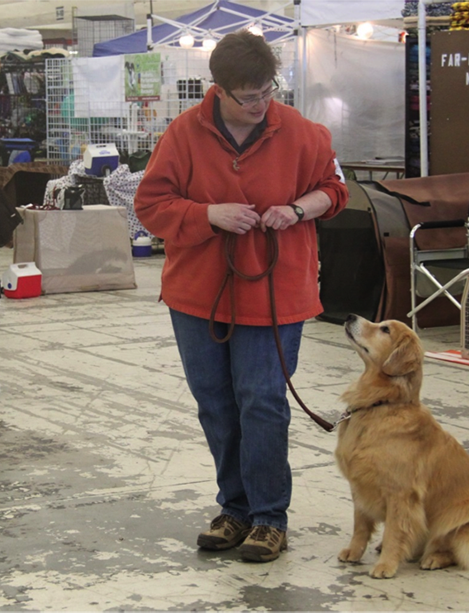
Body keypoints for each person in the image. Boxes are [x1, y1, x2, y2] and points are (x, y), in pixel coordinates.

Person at [134, 30, 348, 563]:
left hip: (274, 294)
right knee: (216, 405)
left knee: (262, 403)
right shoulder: (182, 134)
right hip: (197, 295)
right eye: (247, 96)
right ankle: (234, 508)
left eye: (267, 92)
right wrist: (209, 214)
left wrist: (299, 209)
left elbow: (336, 190)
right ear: (219, 90)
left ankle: (269, 517)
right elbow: (151, 203)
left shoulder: (305, 133)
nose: (259, 105)